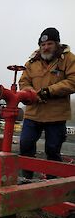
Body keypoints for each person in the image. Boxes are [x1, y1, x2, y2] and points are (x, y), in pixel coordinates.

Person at [19, 27, 75, 180]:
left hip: (56, 115)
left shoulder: (69, 59)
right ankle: (27, 179)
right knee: (25, 144)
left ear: (57, 43)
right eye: (42, 45)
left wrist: (48, 91)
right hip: (33, 113)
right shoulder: (31, 62)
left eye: (49, 43)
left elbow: (72, 81)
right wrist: (30, 92)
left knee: (52, 149)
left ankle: (51, 184)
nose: (45, 47)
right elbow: (23, 81)